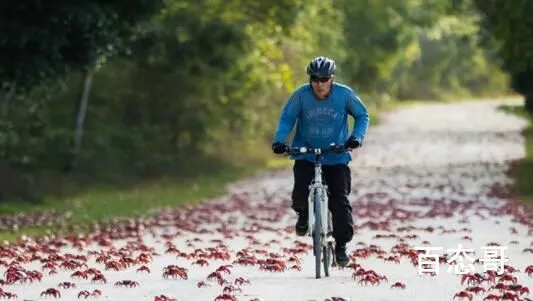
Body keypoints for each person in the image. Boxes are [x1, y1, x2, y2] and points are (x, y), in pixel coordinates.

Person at [271, 56, 369, 266]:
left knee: (339, 201)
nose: (319, 84)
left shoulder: (344, 95)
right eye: (314, 79)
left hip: (336, 155)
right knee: (299, 193)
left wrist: (356, 138)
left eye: (324, 79)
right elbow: (287, 117)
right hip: (306, 153)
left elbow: (362, 115)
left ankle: (341, 246)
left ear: (331, 79)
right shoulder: (301, 95)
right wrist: (279, 141)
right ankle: (303, 215)